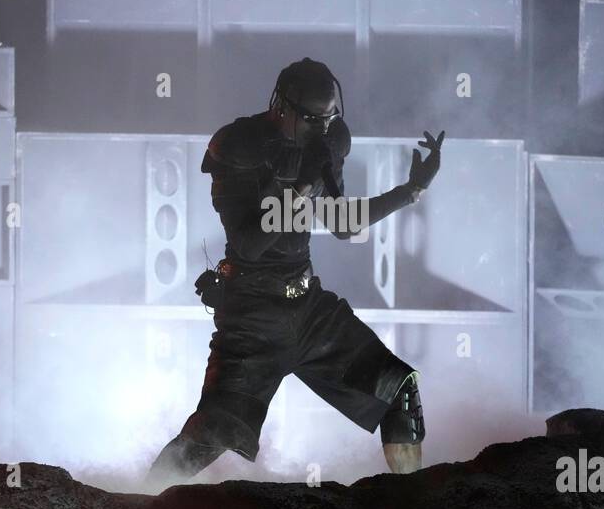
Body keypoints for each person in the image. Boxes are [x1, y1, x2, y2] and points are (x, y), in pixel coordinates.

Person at [146, 57, 444, 484]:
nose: (322, 129)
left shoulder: (328, 141)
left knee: (398, 391)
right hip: (251, 318)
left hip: (308, 308)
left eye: (330, 118)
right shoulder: (237, 147)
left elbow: (342, 224)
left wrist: (411, 190)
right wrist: (299, 185)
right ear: (281, 108)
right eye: (311, 120)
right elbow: (249, 241)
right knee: (209, 435)